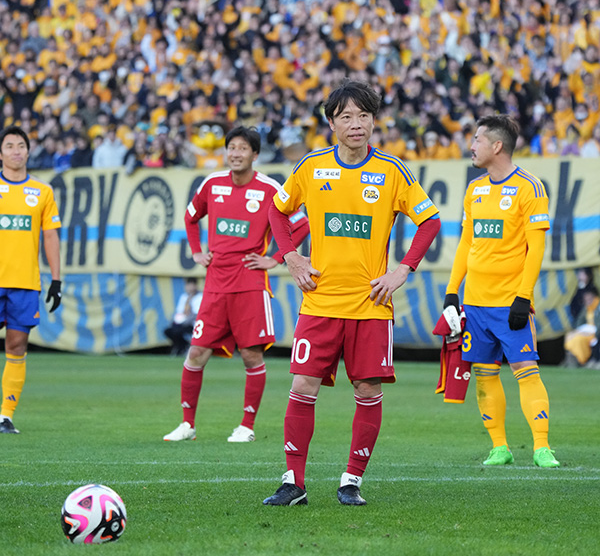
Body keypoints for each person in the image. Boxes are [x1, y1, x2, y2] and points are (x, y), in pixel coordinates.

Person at [263, 79, 441, 506]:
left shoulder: (392, 171)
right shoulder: (311, 167)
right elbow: (277, 209)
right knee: (303, 386)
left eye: (364, 115)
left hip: (370, 305)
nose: (356, 124)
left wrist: (402, 270)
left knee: (367, 391)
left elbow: (430, 221)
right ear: (332, 123)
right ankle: (294, 482)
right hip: (320, 300)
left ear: (374, 121)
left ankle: (351, 481)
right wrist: (291, 256)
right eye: (346, 116)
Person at [163, 126, 310, 443]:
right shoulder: (212, 183)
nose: (235, 153)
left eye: (242, 148)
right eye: (231, 147)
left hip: (250, 282)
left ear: (255, 154)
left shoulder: (270, 188)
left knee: (251, 355)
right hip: (216, 283)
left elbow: (301, 224)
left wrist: (275, 258)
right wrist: (196, 251)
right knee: (196, 353)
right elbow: (191, 217)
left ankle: (247, 426)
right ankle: (187, 424)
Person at [443, 114, 560, 468]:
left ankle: (541, 447)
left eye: (477, 139)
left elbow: (536, 249)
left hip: (510, 303)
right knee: (484, 374)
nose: (471, 146)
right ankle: (500, 447)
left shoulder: (530, 187)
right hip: (475, 303)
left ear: (496, 146)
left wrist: (524, 296)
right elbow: (466, 243)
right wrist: (452, 292)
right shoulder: (475, 189)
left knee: (526, 369)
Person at [0, 125, 62, 434]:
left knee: (17, 344)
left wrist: (56, 280)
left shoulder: (42, 191)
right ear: (1, 154)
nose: (16, 151)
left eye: (21, 145)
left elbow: (50, 236)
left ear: (28, 151)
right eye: (9, 145)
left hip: (25, 282)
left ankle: (5, 415)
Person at [164, 278, 203, 356]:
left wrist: (185, 319)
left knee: (178, 331)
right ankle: (182, 346)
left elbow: (196, 314)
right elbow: (179, 311)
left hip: (193, 323)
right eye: (188, 285)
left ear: (195, 286)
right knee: (168, 331)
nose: (189, 287)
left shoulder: (200, 297)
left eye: (191, 285)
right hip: (182, 322)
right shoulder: (184, 296)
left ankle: (184, 347)